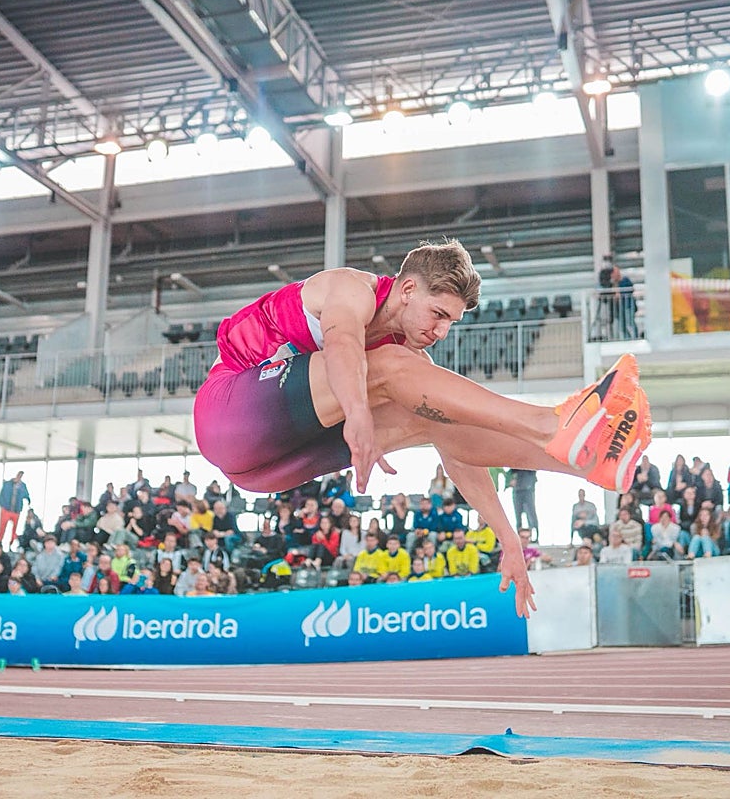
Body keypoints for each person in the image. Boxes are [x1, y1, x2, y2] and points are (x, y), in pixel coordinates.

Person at [192, 239, 651, 617]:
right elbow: (343, 345)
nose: (442, 331)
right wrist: (357, 413)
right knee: (392, 368)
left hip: (267, 470)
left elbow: (457, 454)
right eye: (439, 314)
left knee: (432, 413)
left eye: (452, 321)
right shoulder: (350, 289)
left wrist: (509, 540)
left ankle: (583, 461)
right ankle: (548, 422)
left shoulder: (409, 365)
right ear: (408, 289)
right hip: (226, 416)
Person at [0, 471, 30, 547]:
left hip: (16, 511)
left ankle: (11, 543)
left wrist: (28, 500)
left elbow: (26, 494)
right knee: (2, 527)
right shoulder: (7, 484)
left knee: (14, 529)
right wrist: (2, 505)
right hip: (6, 509)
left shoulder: (22, 486)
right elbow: (1, 495)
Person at [509, 468, 539, 541]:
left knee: (531, 514)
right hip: (517, 490)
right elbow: (511, 472)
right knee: (518, 515)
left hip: (528, 489)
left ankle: (534, 537)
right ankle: (519, 537)